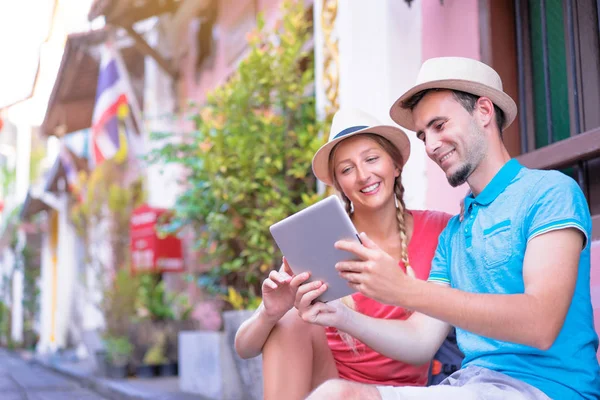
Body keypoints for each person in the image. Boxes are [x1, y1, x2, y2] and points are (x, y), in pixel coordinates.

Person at [303, 57, 600, 400]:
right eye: (423, 134)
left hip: (547, 390)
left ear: (484, 111)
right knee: (334, 395)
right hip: (471, 386)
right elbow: (420, 341)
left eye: (439, 125)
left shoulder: (549, 192)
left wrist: (402, 289)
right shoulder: (453, 234)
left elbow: (540, 324)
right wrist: (339, 316)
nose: (429, 146)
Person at [234, 108, 453, 400]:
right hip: (326, 383)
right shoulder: (321, 238)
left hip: (400, 390)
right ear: (340, 186)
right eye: (347, 169)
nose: (364, 176)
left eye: (372, 159)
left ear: (396, 165)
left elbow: (425, 341)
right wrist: (269, 312)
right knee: (290, 320)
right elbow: (245, 348)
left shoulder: (441, 229)